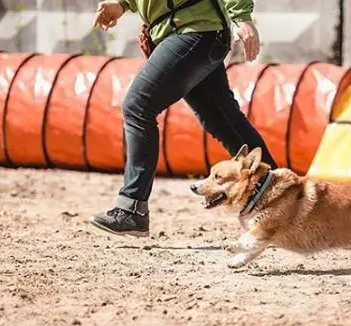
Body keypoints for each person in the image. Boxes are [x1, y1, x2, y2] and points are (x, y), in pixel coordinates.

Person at [89, 0, 277, 237]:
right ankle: (279, 196)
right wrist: (122, 4)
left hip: (193, 30)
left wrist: (242, 17)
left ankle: (132, 208)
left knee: (138, 107)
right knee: (223, 120)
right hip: (190, 32)